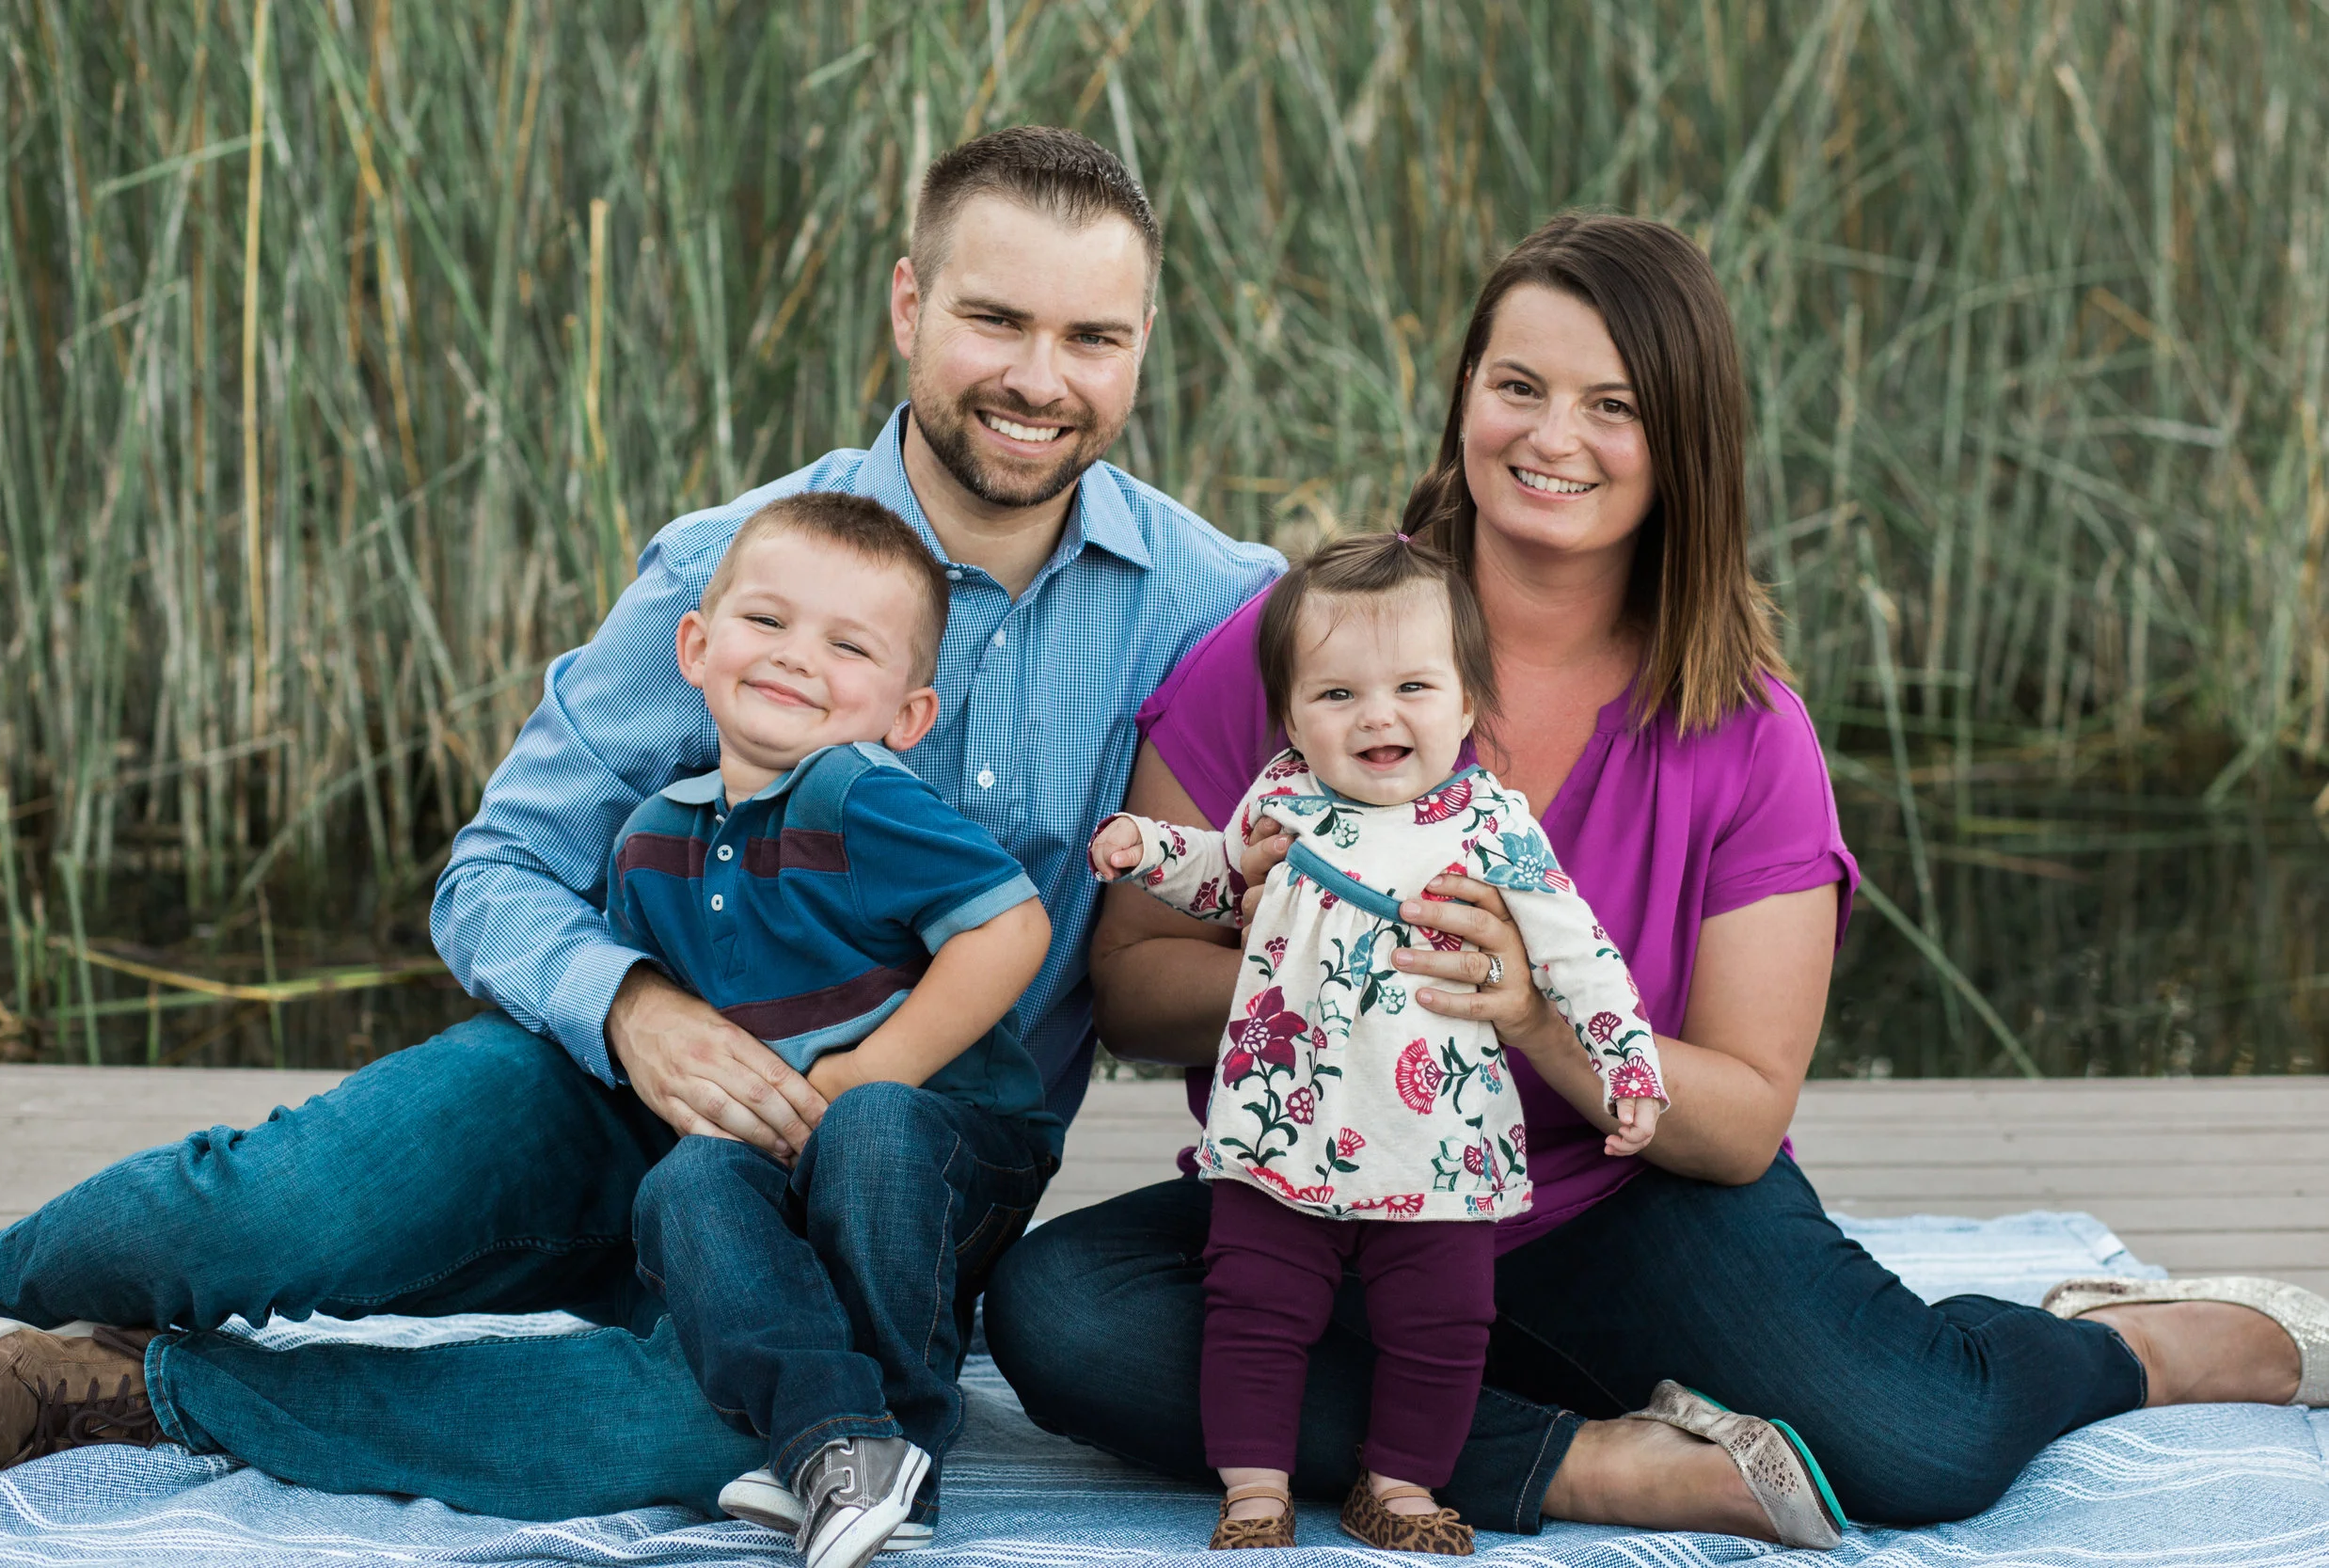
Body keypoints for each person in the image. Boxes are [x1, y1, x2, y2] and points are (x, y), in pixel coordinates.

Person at [0, 125, 1280, 1524]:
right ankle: (0, 1275)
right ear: (909, 305)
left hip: (891, 1174)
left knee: (718, 1424)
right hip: (605, 1089)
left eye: (1091, 336)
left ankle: (140, 1389)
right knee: (278, 1207)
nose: (1039, 377)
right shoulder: (732, 571)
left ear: (1143, 343)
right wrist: (637, 1012)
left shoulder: (1219, 609)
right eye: (996, 319)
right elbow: (497, 869)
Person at [985, 211, 2321, 1546]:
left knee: (1926, 1437)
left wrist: (1530, 1014)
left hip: (1624, 1207)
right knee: (1063, 1312)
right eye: (1518, 385)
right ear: (1465, 395)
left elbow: (1738, 1116)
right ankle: (1584, 1460)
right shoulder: (1307, 644)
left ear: (1683, 439)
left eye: (1611, 405)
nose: (1551, 438)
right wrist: (1316, 967)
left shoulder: (1747, 731)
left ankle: (2120, 1343)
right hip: (1329, 1190)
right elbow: (1134, 983)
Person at [1086, 532, 1670, 1554]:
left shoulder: (1490, 825)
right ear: (1291, 716)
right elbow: (1225, 878)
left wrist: (1625, 1058)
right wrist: (1153, 851)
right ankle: (1254, 1488)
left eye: (1412, 686)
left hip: (1433, 1135)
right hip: (1285, 1121)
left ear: (1466, 702)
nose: (1377, 715)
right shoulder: (1281, 796)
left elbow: (1576, 951)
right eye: (1337, 694)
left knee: (1443, 1323)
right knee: (1253, 1307)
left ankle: (1400, 1483)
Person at [610, 491, 1057, 1568]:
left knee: (870, 1126)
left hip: (952, 1149)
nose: (796, 655)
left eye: (848, 645)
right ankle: (834, 1438)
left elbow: (1011, 926)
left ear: (907, 714)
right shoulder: (651, 842)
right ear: (696, 644)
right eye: (766, 620)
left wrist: (869, 1068)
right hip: (795, 1158)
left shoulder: (856, 792)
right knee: (685, 1181)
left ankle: (905, 1440)